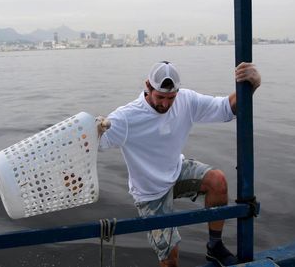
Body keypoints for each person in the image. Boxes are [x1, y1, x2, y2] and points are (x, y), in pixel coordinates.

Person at [96, 61, 261, 267]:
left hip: (176, 172)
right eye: (160, 97)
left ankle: (215, 247)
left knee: (217, 181)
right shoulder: (126, 117)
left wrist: (250, 87)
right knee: (170, 259)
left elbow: (225, 108)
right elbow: (95, 143)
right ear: (148, 86)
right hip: (150, 193)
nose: (165, 104)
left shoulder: (186, 100)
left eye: (171, 98)